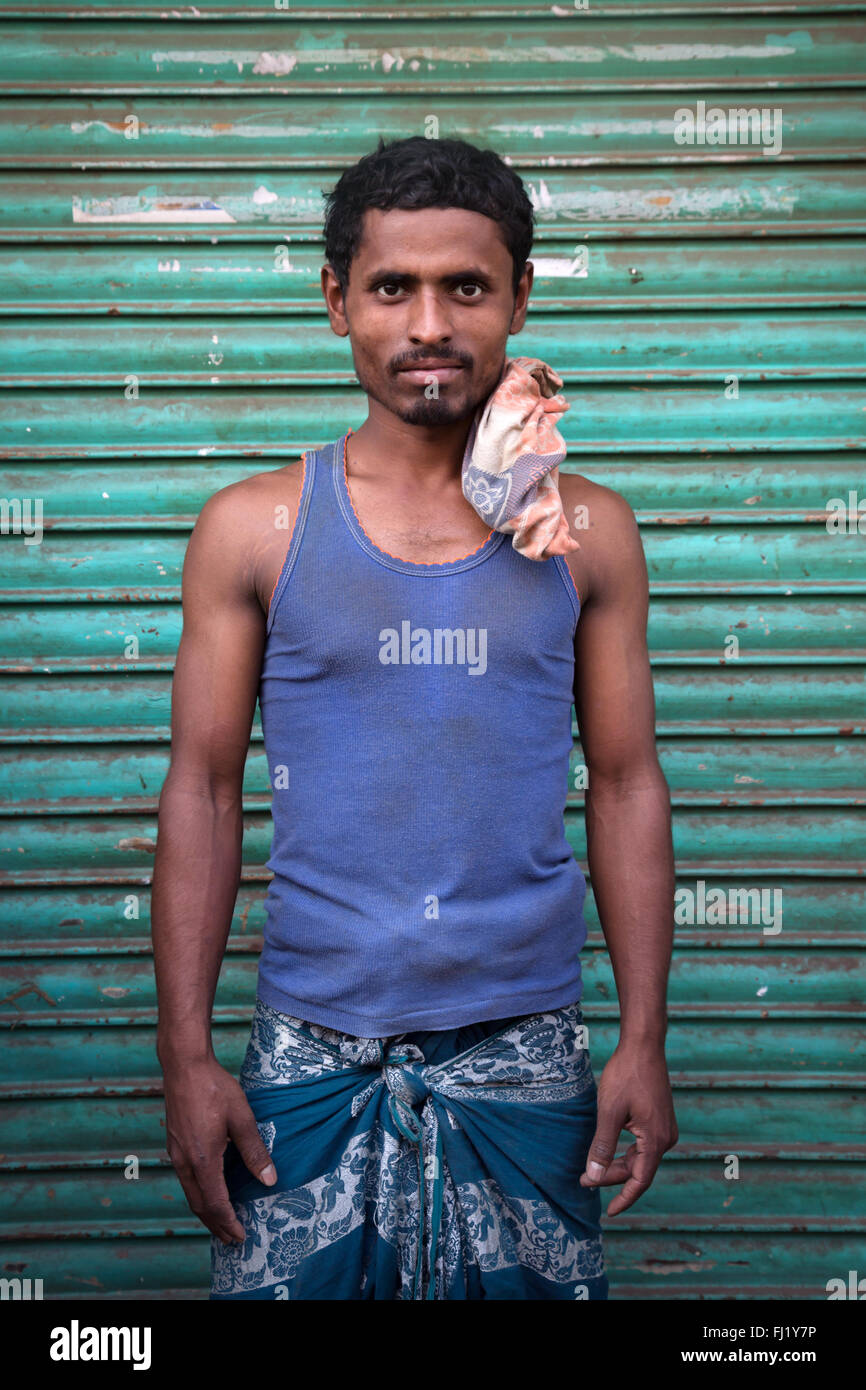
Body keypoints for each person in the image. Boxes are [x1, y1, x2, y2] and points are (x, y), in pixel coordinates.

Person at [151, 135, 678, 1301]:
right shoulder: (254, 527)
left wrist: (642, 1036)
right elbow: (201, 790)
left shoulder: (587, 532)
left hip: (529, 1059)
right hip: (307, 1058)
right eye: (393, 287)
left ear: (518, 296)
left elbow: (629, 783)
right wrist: (185, 1056)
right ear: (336, 298)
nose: (429, 324)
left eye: (467, 287)